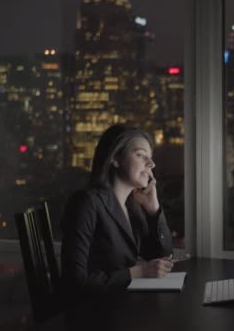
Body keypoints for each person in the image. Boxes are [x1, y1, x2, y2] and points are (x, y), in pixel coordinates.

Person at [60, 124, 174, 330]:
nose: (151, 163)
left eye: (150, 156)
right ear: (115, 158)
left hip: (122, 308)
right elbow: (75, 282)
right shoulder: (87, 202)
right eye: (141, 155)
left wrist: (154, 209)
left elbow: (161, 254)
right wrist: (138, 271)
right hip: (95, 317)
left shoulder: (132, 205)